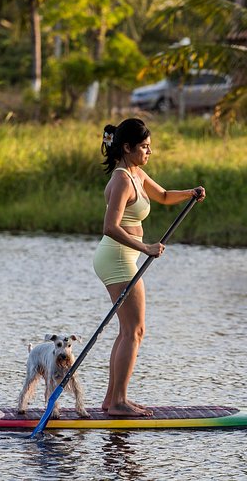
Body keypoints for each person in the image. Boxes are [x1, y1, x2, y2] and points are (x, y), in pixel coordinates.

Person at [92, 118, 205, 417]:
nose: (148, 152)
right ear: (126, 148)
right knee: (135, 330)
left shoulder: (137, 174)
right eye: (144, 147)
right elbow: (110, 227)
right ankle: (118, 402)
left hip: (123, 257)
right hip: (117, 256)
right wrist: (146, 248)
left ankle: (110, 400)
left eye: (149, 147)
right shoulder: (120, 179)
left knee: (128, 330)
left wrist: (190, 193)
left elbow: (165, 196)